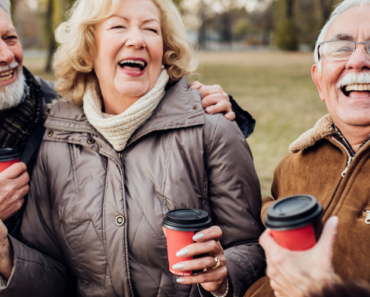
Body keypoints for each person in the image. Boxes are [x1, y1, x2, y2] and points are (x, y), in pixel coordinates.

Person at [0, 0, 266, 296]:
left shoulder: (213, 128)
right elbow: (52, 273)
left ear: (165, 50)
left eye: (151, 29)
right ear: (88, 50)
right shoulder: (56, 138)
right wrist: (5, 254)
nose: (137, 40)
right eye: (118, 26)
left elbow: (254, 247)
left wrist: (225, 273)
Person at [245, 0, 370, 296]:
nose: (358, 60)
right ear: (318, 80)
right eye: (342, 47)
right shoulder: (292, 165)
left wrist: (322, 292)